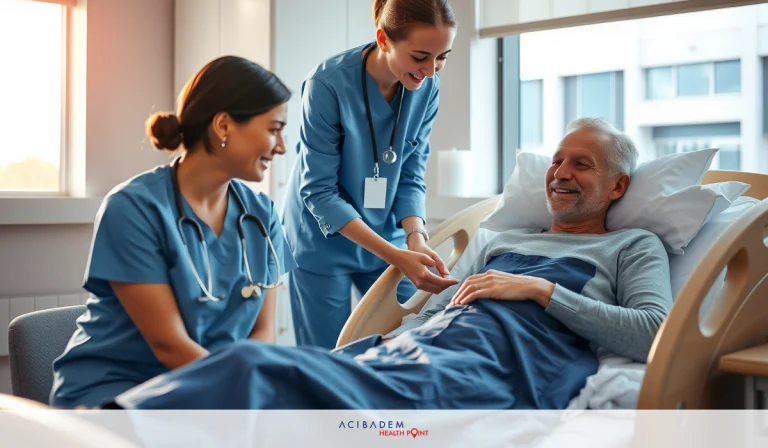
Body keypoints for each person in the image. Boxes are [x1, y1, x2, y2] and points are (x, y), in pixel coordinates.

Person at [104, 117, 673, 411]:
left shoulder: (631, 246)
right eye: (556, 161)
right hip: (437, 345)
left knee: (255, 369)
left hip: (503, 363)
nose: (560, 173)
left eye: (582, 164)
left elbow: (654, 334)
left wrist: (539, 291)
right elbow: (443, 314)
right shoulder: (504, 242)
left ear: (619, 184)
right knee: (273, 370)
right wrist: (390, 342)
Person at [49, 56, 298, 408]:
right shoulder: (133, 209)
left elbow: (262, 334)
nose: (281, 146)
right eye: (274, 129)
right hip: (118, 395)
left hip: (210, 392)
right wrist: (242, 397)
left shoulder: (262, 214)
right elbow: (169, 345)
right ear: (224, 125)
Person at [281, 0, 460, 350]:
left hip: (386, 233)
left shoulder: (427, 87)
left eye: (442, 57)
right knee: (326, 358)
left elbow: (411, 172)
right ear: (383, 39)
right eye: (420, 56)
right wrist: (396, 255)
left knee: (408, 340)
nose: (430, 70)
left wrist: (416, 236)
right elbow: (319, 190)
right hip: (322, 239)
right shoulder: (327, 85)